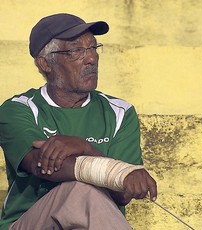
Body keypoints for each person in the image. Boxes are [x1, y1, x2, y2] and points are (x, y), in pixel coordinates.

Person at [0, 13, 157, 230]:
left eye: (93, 47)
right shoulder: (19, 109)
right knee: (79, 190)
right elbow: (40, 165)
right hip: (31, 223)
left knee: (86, 193)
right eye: (76, 51)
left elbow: (122, 194)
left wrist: (85, 148)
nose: (91, 58)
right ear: (45, 63)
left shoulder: (120, 112)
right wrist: (116, 171)